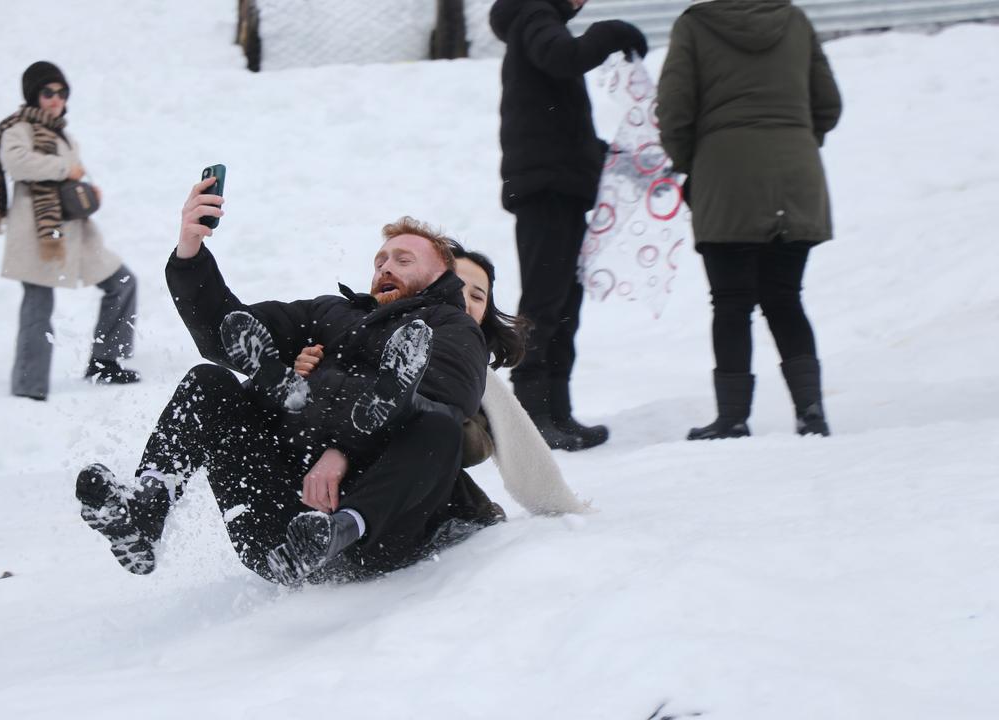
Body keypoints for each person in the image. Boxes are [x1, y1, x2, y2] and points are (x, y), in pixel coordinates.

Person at [75, 181, 489, 586]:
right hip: (281, 532)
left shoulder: (453, 328)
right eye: (380, 260)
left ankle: (339, 525)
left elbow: (441, 397)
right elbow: (228, 331)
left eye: (403, 260)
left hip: (376, 532)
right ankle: (147, 508)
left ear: (440, 275)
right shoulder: (331, 312)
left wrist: (339, 446)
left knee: (436, 425)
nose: (385, 267)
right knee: (209, 381)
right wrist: (190, 251)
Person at [295, 240, 592, 540]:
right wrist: (308, 367)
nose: (462, 299)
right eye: (453, 286)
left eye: (477, 296)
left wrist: (344, 448)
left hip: (413, 508)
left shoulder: (476, 382)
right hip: (315, 490)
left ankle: (348, 528)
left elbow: (468, 443)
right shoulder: (358, 336)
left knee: (438, 426)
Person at [657, 0, 841, 439]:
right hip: (797, 173)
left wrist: (692, 162)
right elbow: (828, 104)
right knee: (785, 297)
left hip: (726, 173)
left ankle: (732, 418)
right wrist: (796, 137)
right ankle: (811, 412)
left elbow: (675, 108)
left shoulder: (695, 24)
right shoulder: (793, 19)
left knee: (731, 302)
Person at [489, 0, 649, 451]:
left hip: (558, 187)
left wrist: (616, 158)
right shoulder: (535, 16)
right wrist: (613, 31)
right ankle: (532, 417)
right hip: (546, 190)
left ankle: (557, 411)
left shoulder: (536, 25)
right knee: (544, 303)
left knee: (564, 304)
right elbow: (566, 58)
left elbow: (558, 127)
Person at [0, 61, 140, 401]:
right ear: (34, 95)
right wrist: (65, 169)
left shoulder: (62, 134)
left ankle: (105, 362)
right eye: (48, 92)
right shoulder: (18, 129)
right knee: (38, 307)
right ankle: (29, 385)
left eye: (62, 92)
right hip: (40, 234)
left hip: (76, 233)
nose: (56, 98)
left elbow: (68, 178)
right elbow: (17, 163)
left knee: (122, 282)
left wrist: (86, 193)